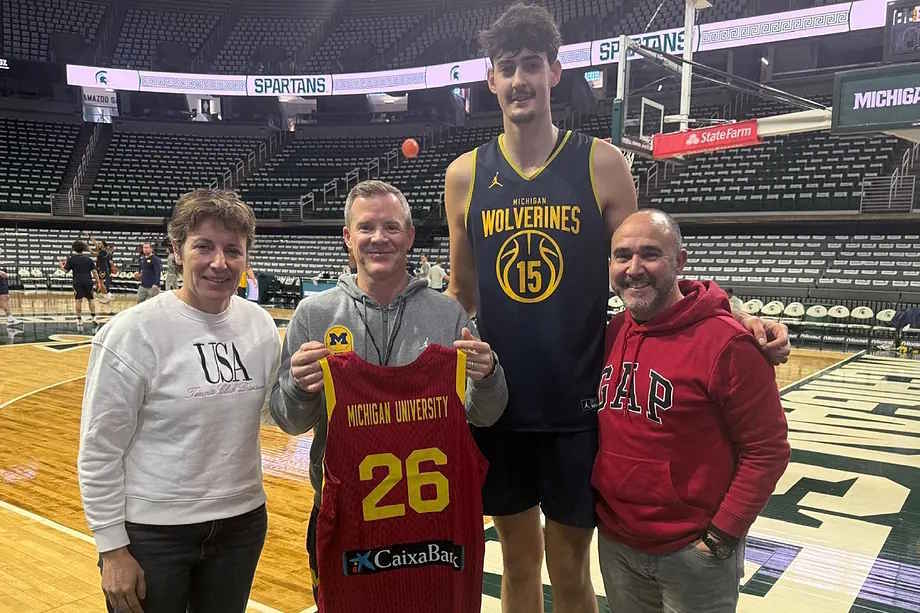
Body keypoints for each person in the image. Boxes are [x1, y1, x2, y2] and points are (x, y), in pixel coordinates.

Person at [443, 4, 791, 611]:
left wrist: (733, 318)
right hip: (498, 408)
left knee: (572, 570)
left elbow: (642, 271)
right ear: (489, 79)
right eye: (507, 68)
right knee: (517, 568)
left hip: (580, 408)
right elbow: (461, 295)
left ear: (555, 71)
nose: (520, 79)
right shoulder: (464, 175)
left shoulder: (603, 162)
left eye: (532, 65)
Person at [269, 180, 508, 609]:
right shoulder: (315, 314)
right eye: (366, 227)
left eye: (392, 227)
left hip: (431, 521)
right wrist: (298, 386)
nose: (379, 238)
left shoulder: (446, 313)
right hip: (344, 517)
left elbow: (484, 415)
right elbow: (289, 420)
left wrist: (489, 375)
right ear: (347, 237)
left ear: (410, 236)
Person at [78, 189, 280, 613]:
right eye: (203, 246)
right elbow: (99, 451)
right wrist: (112, 549)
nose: (219, 263)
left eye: (233, 250)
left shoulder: (259, 326)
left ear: (246, 258)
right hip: (153, 534)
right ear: (176, 250)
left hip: (240, 525)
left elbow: (275, 414)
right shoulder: (133, 332)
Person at [595, 210, 790, 612]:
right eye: (622, 256)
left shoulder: (729, 343)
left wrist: (722, 536)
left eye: (650, 254)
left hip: (694, 552)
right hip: (617, 544)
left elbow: (768, 449)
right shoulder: (613, 332)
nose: (634, 269)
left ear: (680, 261)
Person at [61, 240, 97, 325]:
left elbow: (65, 270)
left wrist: (61, 266)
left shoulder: (71, 259)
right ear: (83, 249)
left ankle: (79, 320)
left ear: (74, 249)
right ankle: (93, 317)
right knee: (91, 299)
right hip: (88, 281)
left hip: (77, 282)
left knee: (78, 300)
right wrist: (98, 282)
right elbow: (94, 272)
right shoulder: (89, 259)